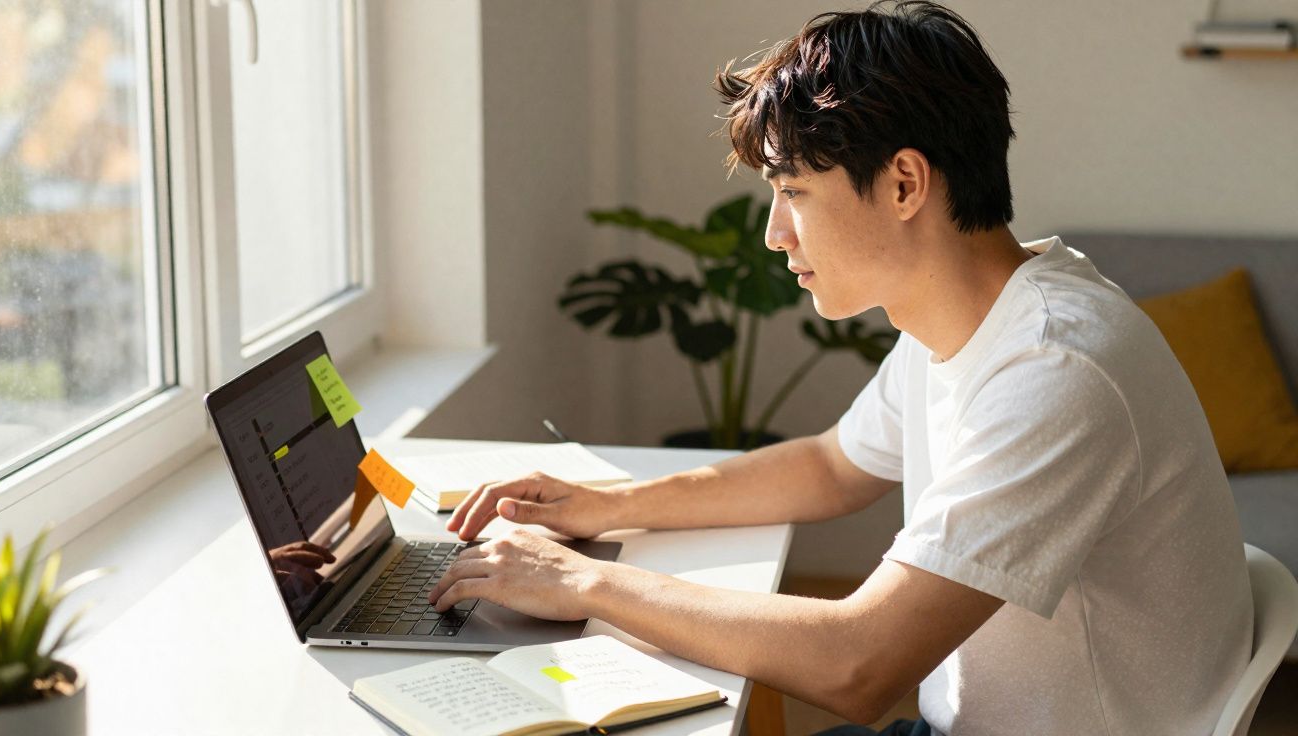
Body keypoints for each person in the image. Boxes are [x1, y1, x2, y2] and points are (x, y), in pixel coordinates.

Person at [428, 2, 1254, 733]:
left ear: (904, 184)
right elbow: (832, 467)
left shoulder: (1054, 371)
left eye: (793, 192)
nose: (774, 233)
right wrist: (607, 504)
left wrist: (583, 585)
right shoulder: (970, 315)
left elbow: (859, 666)